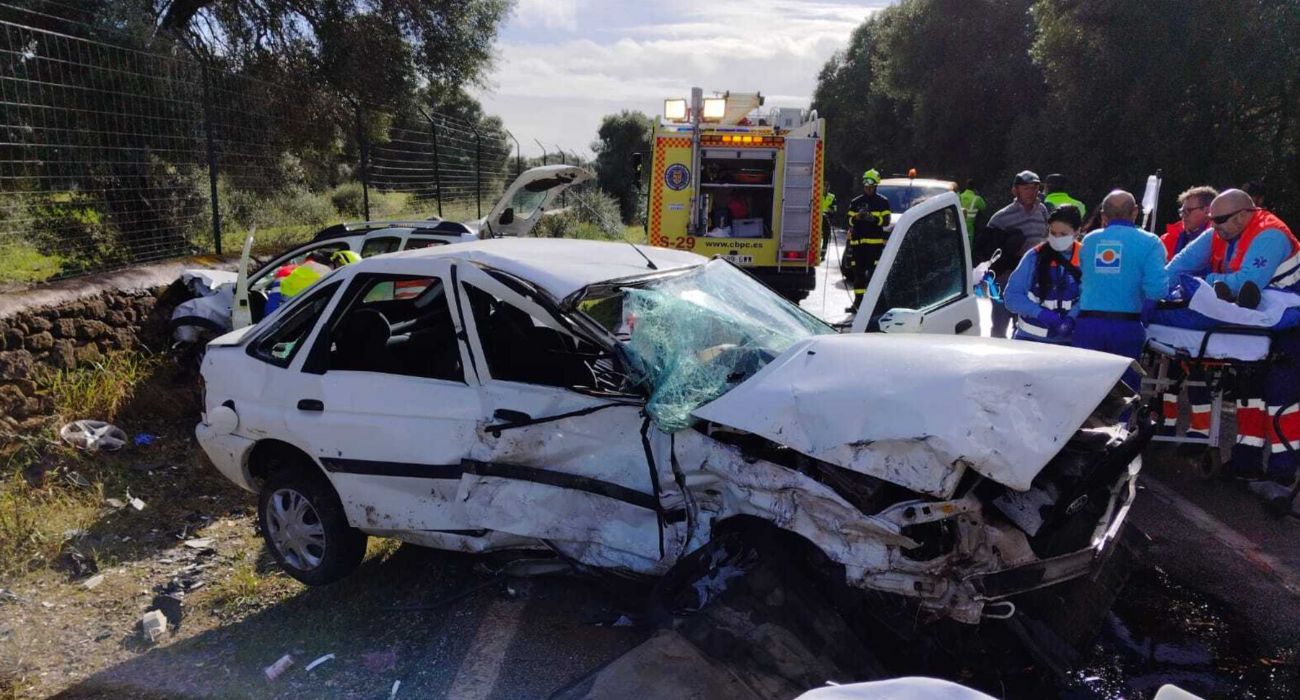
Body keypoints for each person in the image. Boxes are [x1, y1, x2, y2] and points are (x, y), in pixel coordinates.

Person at [1166, 189, 1300, 498]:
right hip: (1256, 322)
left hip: (1288, 322)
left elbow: (1246, 283)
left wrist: (1202, 284)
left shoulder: (1270, 235)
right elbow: (1181, 264)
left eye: (1221, 220)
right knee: (1249, 394)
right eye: (1211, 220)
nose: (1214, 226)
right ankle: (1246, 462)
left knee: (1283, 397)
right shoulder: (1221, 231)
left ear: (1244, 215)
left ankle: (1283, 475)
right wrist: (1162, 285)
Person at [1073, 190, 1168, 389]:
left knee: (1086, 386)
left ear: (1103, 215)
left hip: (1087, 325)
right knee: (1124, 387)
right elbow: (1157, 288)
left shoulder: (1089, 241)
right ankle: (1123, 421)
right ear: (1134, 212)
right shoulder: (1150, 242)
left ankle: (1087, 421)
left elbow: (1081, 278)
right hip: (1127, 326)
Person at [1157, 186, 1217, 444]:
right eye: (1182, 210)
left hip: (1201, 317)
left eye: (1189, 210)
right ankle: (1166, 425)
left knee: (1198, 378)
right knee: (1167, 376)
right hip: (1171, 313)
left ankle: (1199, 432)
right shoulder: (1169, 238)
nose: (1184, 215)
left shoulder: (1219, 241)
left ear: (1208, 211)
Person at [1004, 205, 1083, 344]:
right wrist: (1039, 313)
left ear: (1077, 232)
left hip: (1069, 342)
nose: (1056, 238)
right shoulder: (1034, 256)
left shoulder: (1085, 257)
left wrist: (1072, 317)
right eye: (1052, 232)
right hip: (1029, 340)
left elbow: (1091, 295)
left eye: (1063, 234)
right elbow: (1011, 297)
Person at [986, 170, 1050, 338]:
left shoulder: (1042, 211)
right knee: (1000, 322)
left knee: (1025, 323)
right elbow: (987, 249)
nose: (1031, 192)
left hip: (1034, 276)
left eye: (1035, 188)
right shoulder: (1001, 217)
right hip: (1006, 277)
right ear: (1015, 191)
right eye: (1026, 188)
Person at [845, 168, 891, 313]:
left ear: (876, 186)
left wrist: (874, 218)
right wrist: (856, 218)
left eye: (871, 186)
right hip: (858, 246)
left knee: (873, 276)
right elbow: (848, 221)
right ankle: (858, 303)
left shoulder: (882, 202)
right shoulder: (856, 202)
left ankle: (873, 306)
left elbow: (886, 221)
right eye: (866, 186)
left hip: (874, 247)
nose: (868, 189)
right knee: (858, 276)